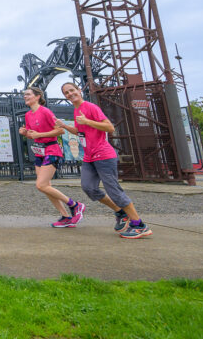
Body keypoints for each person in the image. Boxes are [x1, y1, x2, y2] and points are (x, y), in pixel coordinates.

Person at [57, 82, 152, 239]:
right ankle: (121, 212)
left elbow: (109, 127)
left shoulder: (90, 107)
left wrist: (87, 121)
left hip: (103, 155)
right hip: (89, 157)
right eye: (66, 93)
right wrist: (65, 126)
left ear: (79, 90)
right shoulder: (76, 110)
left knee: (114, 190)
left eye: (72, 90)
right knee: (88, 188)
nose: (70, 94)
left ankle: (139, 225)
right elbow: (81, 131)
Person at [18, 86, 84, 228]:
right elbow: (32, 134)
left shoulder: (45, 111)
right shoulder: (28, 115)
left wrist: (40, 135)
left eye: (28, 94)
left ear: (37, 97)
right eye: (24, 95)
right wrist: (25, 133)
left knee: (40, 184)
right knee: (45, 186)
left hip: (52, 150)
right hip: (39, 151)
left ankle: (75, 205)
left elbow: (60, 130)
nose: (25, 96)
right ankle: (66, 217)